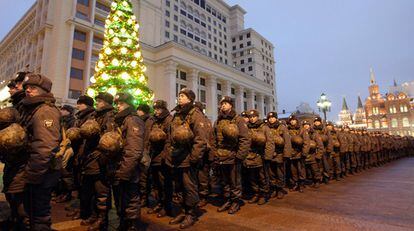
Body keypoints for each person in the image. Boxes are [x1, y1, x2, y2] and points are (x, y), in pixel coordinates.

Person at [19, 73, 61, 230]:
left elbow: (45, 146)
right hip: (37, 169)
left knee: (39, 215)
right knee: (32, 211)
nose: (28, 90)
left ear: (44, 90)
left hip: (43, 172)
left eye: (33, 88)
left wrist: (33, 174)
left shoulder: (45, 111)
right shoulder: (33, 108)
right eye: (27, 88)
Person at [165, 88, 207, 229]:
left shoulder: (195, 114)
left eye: (182, 96)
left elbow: (200, 139)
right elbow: (171, 136)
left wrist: (194, 158)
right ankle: (182, 211)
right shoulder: (177, 114)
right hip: (176, 157)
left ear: (190, 99)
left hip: (188, 157)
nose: (179, 98)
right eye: (179, 96)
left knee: (189, 187)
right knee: (178, 186)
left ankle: (191, 213)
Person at [80, 92, 115, 231]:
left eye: (100, 101)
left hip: (100, 158)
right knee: (92, 190)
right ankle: (95, 215)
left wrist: (103, 158)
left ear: (106, 102)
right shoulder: (95, 115)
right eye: (97, 101)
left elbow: (110, 140)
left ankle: (102, 219)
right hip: (90, 157)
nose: (97, 103)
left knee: (101, 191)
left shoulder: (109, 116)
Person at [112, 93, 145, 230]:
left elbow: (134, 149)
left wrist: (125, 170)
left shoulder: (133, 120)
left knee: (131, 196)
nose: (118, 106)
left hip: (129, 166)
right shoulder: (121, 119)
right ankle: (123, 221)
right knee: (121, 196)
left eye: (121, 103)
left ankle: (131, 224)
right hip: (119, 165)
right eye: (117, 103)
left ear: (129, 104)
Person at [213, 96, 250, 214]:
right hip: (221, 156)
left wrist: (240, 156)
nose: (223, 105)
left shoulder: (238, 119)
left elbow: (245, 139)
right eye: (222, 103)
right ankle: (228, 200)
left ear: (231, 105)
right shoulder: (218, 120)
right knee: (225, 181)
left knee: (235, 181)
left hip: (233, 156)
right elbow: (213, 138)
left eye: (226, 103)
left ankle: (236, 202)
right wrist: (215, 153)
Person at [144, 100, 173, 218]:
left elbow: (170, 139)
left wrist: (166, 155)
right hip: (153, 155)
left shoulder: (169, 119)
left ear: (163, 109)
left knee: (164, 183)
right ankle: (159, 203)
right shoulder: (152, 119)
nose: (156, 111)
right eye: (155, 109)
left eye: (158, 109)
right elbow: (147, 136)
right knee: (156, 182)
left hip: (163, 156)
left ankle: (167, 206)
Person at [245, 109, 273, 205]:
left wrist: (268, 156)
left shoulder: (264, 127)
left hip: (261, 156)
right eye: (250, 117)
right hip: (249, 156)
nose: (252, 119)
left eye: (254, 117)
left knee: (262, 176)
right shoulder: (247, 128)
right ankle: (256, 193)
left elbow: (270, 142)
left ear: (257, 117)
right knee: (252, 177)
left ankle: (264, 194)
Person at [265, 112, 290, 198]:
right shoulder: (266, 127)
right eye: (269, 118)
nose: (271, 119)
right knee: (271, 173)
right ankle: (273, 188)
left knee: (280, 173)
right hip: (270, 153)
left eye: (273, 117)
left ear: (276, 118)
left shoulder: (282, 127)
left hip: (279, 153)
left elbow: (287, 142)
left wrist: (286, 154)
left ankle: (279, 189)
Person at [286, 115, 309, 192]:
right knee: (293, 170)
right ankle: (295, 183)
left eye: (294, 120)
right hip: (291, 153)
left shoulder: (302, 130)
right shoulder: (287, 130)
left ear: (296, 121)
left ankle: (301, 184)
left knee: (301, 169)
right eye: (291, 120)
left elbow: (306, 142)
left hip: (299, 153)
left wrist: (304, 153)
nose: (292, 121)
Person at [136, 103, 151, 207]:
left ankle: (144, 198)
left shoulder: (148, 121)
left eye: (139, 110)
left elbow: (147, 136)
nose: (137, 112)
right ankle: (142, 197)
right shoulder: (138, 120)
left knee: (144, 177)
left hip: (145, 151)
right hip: (140, 149)